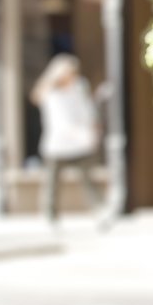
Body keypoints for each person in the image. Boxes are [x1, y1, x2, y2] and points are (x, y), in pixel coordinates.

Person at [29, 53, 103, 224]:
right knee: (52, 183)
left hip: (80, 144)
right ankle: (50, 215)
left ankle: (98, 209)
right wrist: (82, 133)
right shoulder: (50, 93)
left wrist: (92, 128)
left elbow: (87, 110)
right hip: (58, 143)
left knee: (88, 180)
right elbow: (60, 121)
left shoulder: (79, 87)